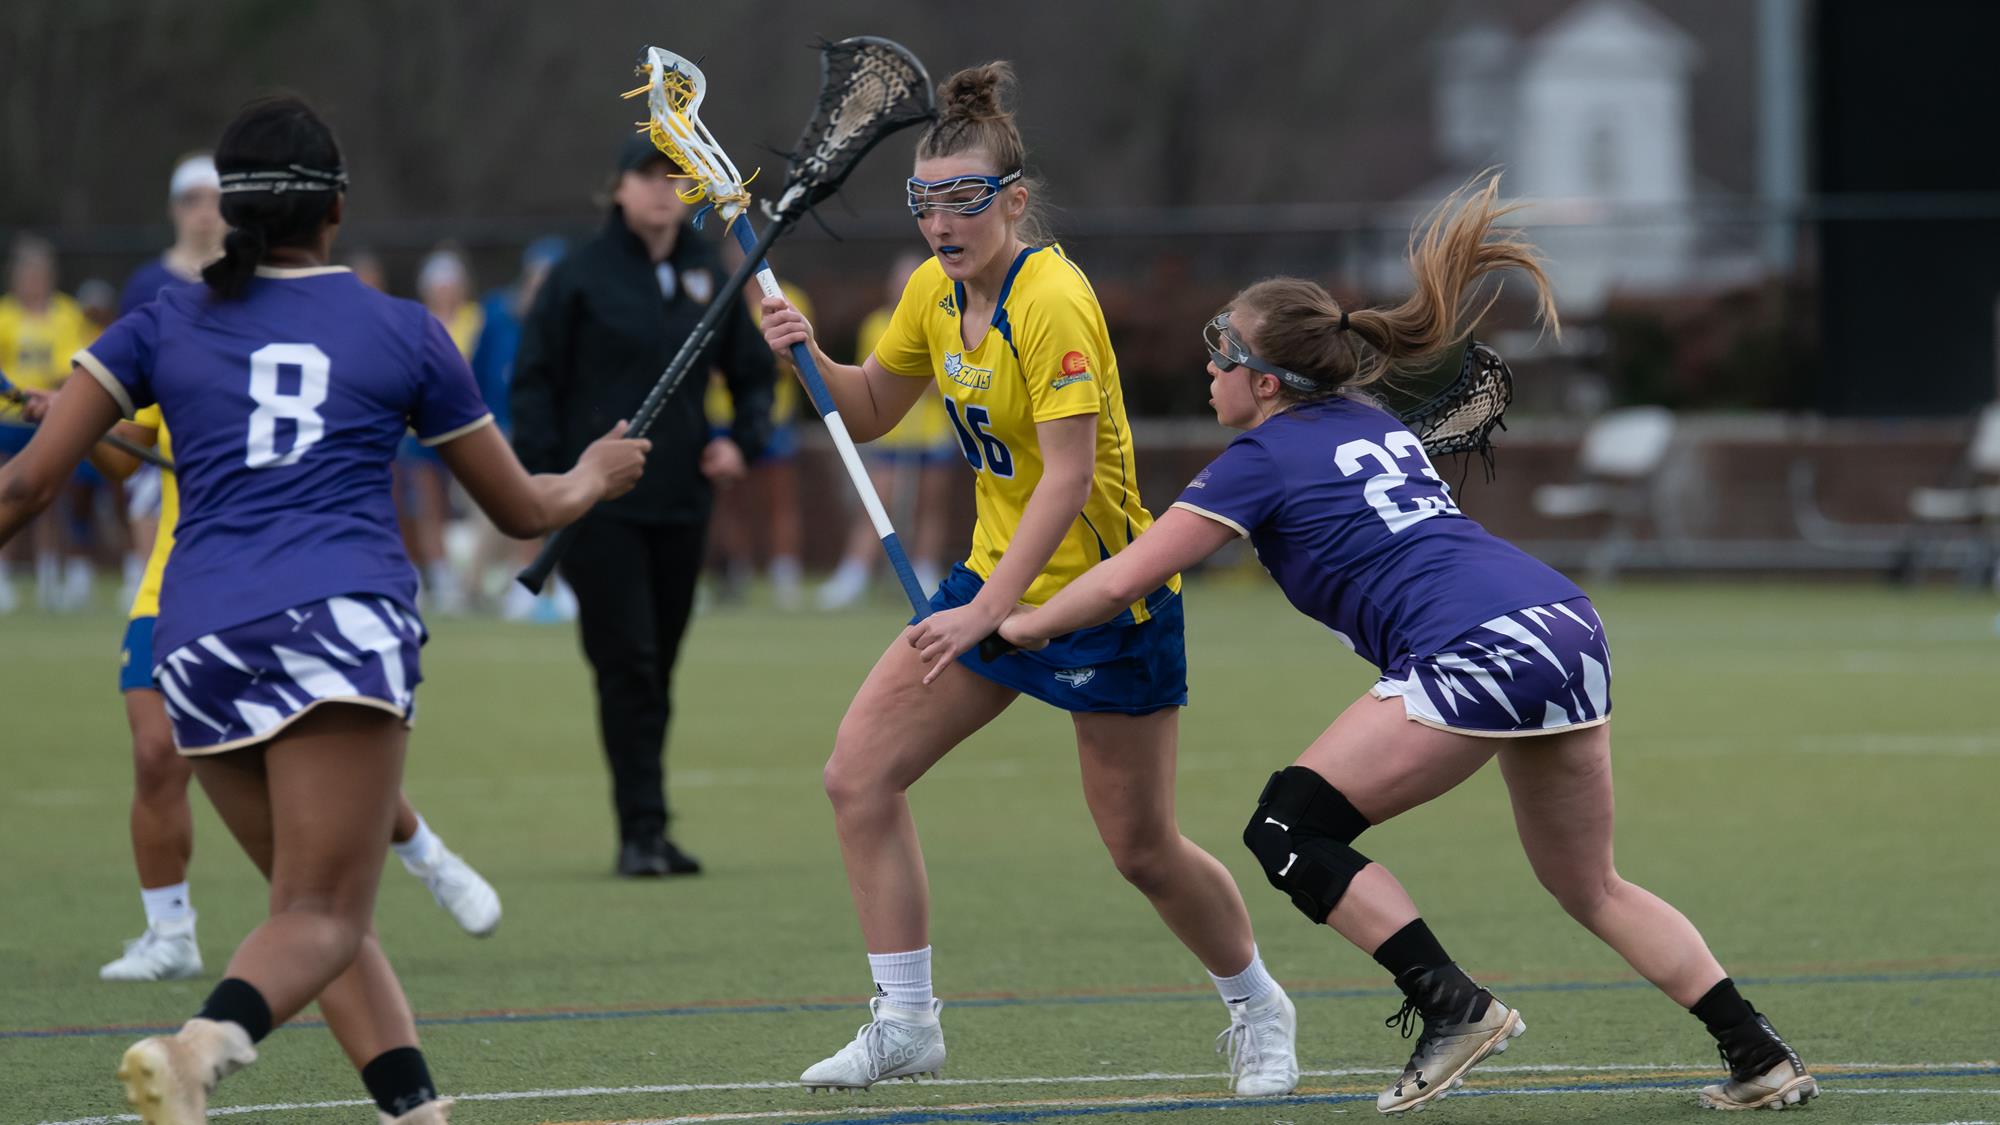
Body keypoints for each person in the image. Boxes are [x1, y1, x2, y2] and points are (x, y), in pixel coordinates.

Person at [990, 175, 1820, 1115]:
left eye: (1219, 353)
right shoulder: (1370, 422)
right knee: (1591, 883)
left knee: (1287, 827)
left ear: (1266, 381)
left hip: (1476, 646)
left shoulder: (1256, 461)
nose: (1206, 370)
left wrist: (1003, 620)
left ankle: (1451, 1004)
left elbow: (1121, 577)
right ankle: (1759, 1052)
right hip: (1564, 623)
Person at [0, 94, 648, 1123]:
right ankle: (198, 1049)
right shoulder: (402, 329)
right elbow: (520, 505)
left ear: (226, 210)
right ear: (336, 207)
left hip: (197, 644)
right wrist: (594, 474)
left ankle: (416, 1114)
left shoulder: (160, 318)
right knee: (321, 915)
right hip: (337, 629)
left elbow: (23, 488)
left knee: (314, 919)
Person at [756, 62, 1298, 1097]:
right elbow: (870, 407)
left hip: (1099, 601)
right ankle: (905, 1022)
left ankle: (1255, 1005)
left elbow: (1069, 475)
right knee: (857, 777)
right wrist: (803, 352)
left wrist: (991, 618)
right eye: (923, 200)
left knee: (1140, 849)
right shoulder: (929, 290)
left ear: (1010, 201)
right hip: (989, 588)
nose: (940, 221)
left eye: (964, 198)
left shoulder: (1051, 299)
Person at [81, 404, 503, 985]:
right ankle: (170, 933)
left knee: (319, 765)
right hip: (171, 588)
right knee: (155, 753)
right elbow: (118, 459)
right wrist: (77, 422)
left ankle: (428, 859)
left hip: (278, 586)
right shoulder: (169, 341)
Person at [512, 133, 775, 878]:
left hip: (680, 505)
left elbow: (752, 374)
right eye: (648, 176)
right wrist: (551, 484)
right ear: (618, 189)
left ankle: (652, 827)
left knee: (658, 664)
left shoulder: (707, 273)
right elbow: (533, 386)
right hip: (600, 509)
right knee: (626, 661)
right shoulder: (578, 278)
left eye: (675, 179)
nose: (663, 190)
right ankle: (640, 829)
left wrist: (742, 442)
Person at [816, 251, 960, 610]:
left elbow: (946, 378)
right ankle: (855, 573)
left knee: (930, 506)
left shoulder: (948, 315)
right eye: (901, 279)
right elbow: (880, 378)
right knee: (876, 504)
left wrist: (925, 380)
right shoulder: (877, 324)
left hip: (931, 431)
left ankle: (926, 569)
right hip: (894, 435)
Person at [0, 234, 96, 612]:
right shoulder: (5, 314)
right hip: (9, 419)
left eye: (38, 273)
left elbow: (74, 366)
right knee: (8, 491)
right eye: (26, 273)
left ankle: (49, 575)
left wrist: (50, 390)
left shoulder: (67, 314)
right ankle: (4, 577)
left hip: (51, 416)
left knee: (49, 498)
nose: (32, 281)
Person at [706, 278, 809, 609]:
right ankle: (736, 572)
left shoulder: (790, 298)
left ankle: (785, 574)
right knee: (728, 498)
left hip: (773, 415)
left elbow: (798, 356)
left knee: (779, 498)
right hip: (723, 416)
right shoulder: (717, 294)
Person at [119, 154, 226, 316]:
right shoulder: (145, 284)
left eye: (217, 199)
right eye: (192, 200)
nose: (206, 212)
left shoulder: (252, 281)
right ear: (173, 208)